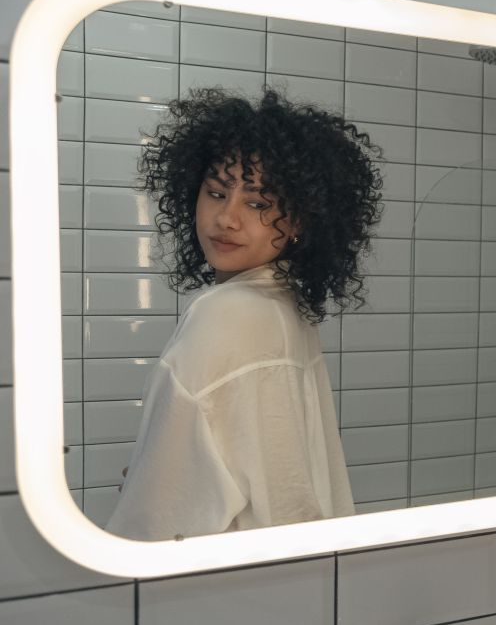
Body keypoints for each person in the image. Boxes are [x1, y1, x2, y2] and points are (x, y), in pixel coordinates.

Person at [106, 87, 383, 541]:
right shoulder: (281, 305)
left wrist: (146, 484)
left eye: (257, 204)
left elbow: (152, 523)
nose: (227, 219)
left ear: (297, 221)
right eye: (216, 193)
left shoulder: (226, 314)